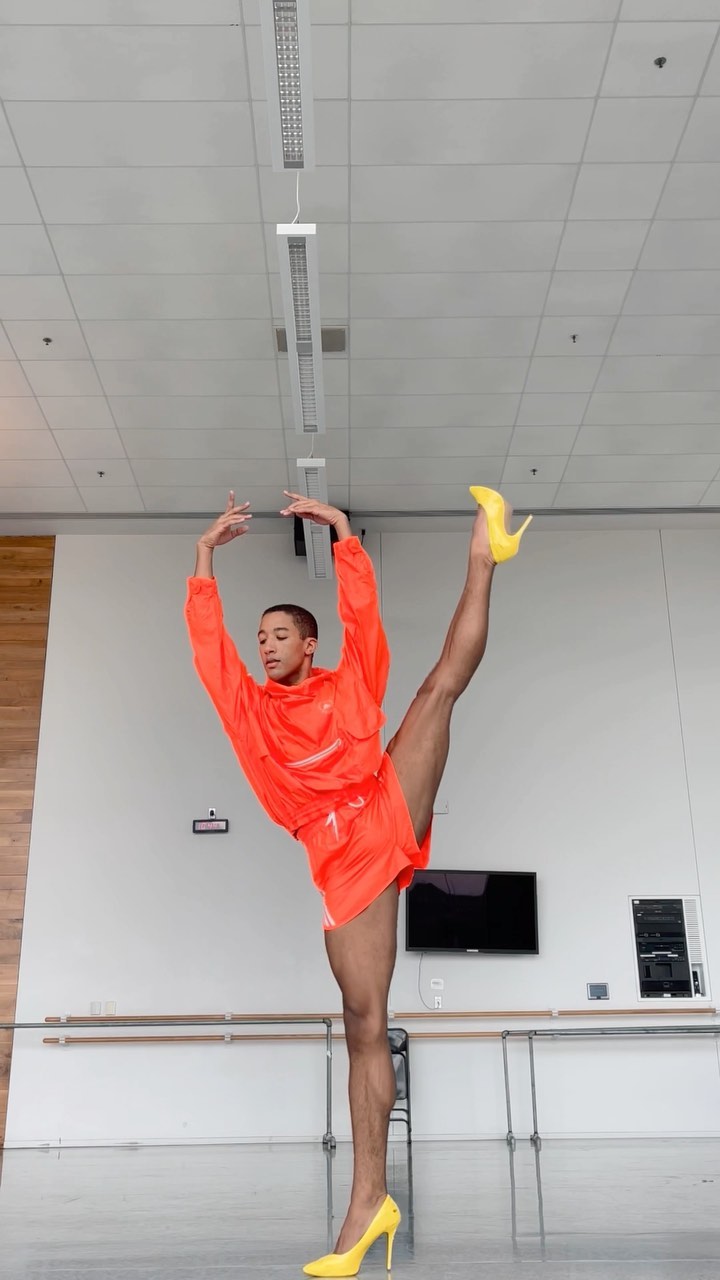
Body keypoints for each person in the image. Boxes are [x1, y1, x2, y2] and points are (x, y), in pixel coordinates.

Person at [184, 486, 530, 1277]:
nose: (265, 646)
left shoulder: (348, 683)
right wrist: (203, 558)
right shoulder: (251, 711)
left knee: (440, 687)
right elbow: (211, 655)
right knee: (364, 1021)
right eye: (260, 637)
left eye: (280, 635)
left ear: (310, 645)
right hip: (338, 856)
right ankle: (373, 1201)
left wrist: (344, 535)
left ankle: (486, 555)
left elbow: (362, 616)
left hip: (380, 802)